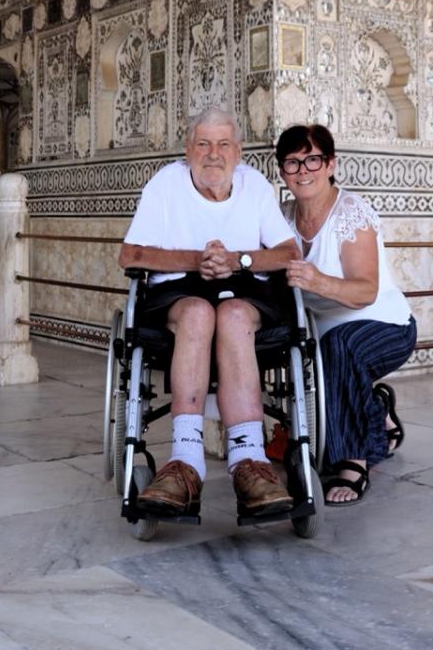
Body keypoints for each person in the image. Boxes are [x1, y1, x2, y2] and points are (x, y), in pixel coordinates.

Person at [119, 105, 299, 518]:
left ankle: (250, 461)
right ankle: (185, 462)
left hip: (244, 287)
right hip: (180, 291)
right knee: (199, 313)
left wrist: (239, 261)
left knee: (233, 315)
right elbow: (130, 254)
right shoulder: (166, 184)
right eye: (203, 144)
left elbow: (288, 252)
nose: (213, 154)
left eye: (223, 145)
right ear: (188, 150)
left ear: (238, 152)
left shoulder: (254, 186)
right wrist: (194, 260)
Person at [276, 123, 416, 506]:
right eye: (292, 163)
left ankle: (353, 460)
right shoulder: (282, 217)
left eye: (313, 160)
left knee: (338, 346)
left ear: (331, 164)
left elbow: (364, 290)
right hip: (324, 333)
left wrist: (317, 281)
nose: (303, 171)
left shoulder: (351, 214)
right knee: (308, 344)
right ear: (282, 171)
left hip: (384, 324)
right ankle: (377, 410)